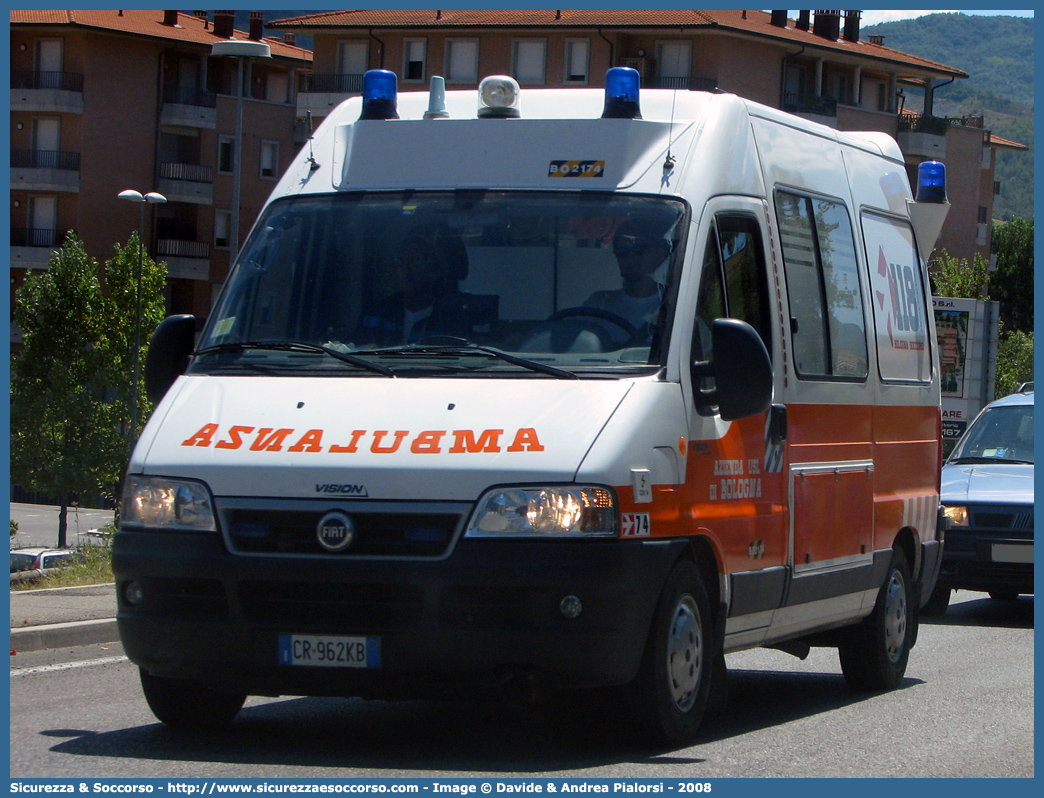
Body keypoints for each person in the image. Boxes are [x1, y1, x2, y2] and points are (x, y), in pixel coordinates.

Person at [355, 229, 482, 346]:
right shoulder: (375, 315)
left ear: (436, 270)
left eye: (416, 260)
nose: (406, 268)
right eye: (401, 260)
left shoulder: (456, 318)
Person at [583, 217, 673, 345]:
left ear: (659, 254)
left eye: (639, 250)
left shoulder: (673, 303)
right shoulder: (599, 304)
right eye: (622, 251)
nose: (630, 259)